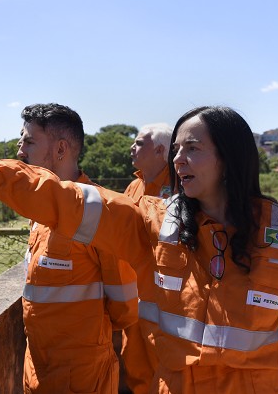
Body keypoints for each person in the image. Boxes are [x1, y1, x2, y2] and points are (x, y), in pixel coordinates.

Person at [0, 105, 278, 393]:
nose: (178, 161)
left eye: (193, 149)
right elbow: (60, 197)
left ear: (231, 157)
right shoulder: (149, 224)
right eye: (176, 151)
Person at [11, 103, 140, 393]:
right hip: (37, 370)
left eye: (29, 142)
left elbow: (125, 310)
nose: (20, 151)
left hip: (82, 376)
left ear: (60, 150)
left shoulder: (98, 212)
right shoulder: (41, 211)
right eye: (21, 141)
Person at [120, 122, 173, 394]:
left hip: (169, 302)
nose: (132, 147)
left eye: (140, 143)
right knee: (136, 366)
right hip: (135, 298)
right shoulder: (133, 188)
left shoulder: (182, 188)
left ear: (161, 150)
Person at [125, 122, 173, 200]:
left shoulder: (182, 186)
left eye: (139, 143)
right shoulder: (133, 186)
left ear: (159, 150)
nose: (132, 147)